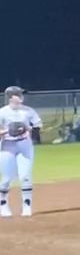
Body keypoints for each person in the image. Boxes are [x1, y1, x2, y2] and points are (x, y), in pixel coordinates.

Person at [2, 86, 43, 217]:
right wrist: (8, 131)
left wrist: (29, 129)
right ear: (10, 97)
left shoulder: (28, 111)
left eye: (21, 94)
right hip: (7, 146)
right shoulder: (2, 112)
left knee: (25, 176)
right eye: (18, 94)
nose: (21, 97)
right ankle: (3, 204)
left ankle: (27, 206)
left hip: (24, 145)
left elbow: (37, 126)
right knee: (7, 177)